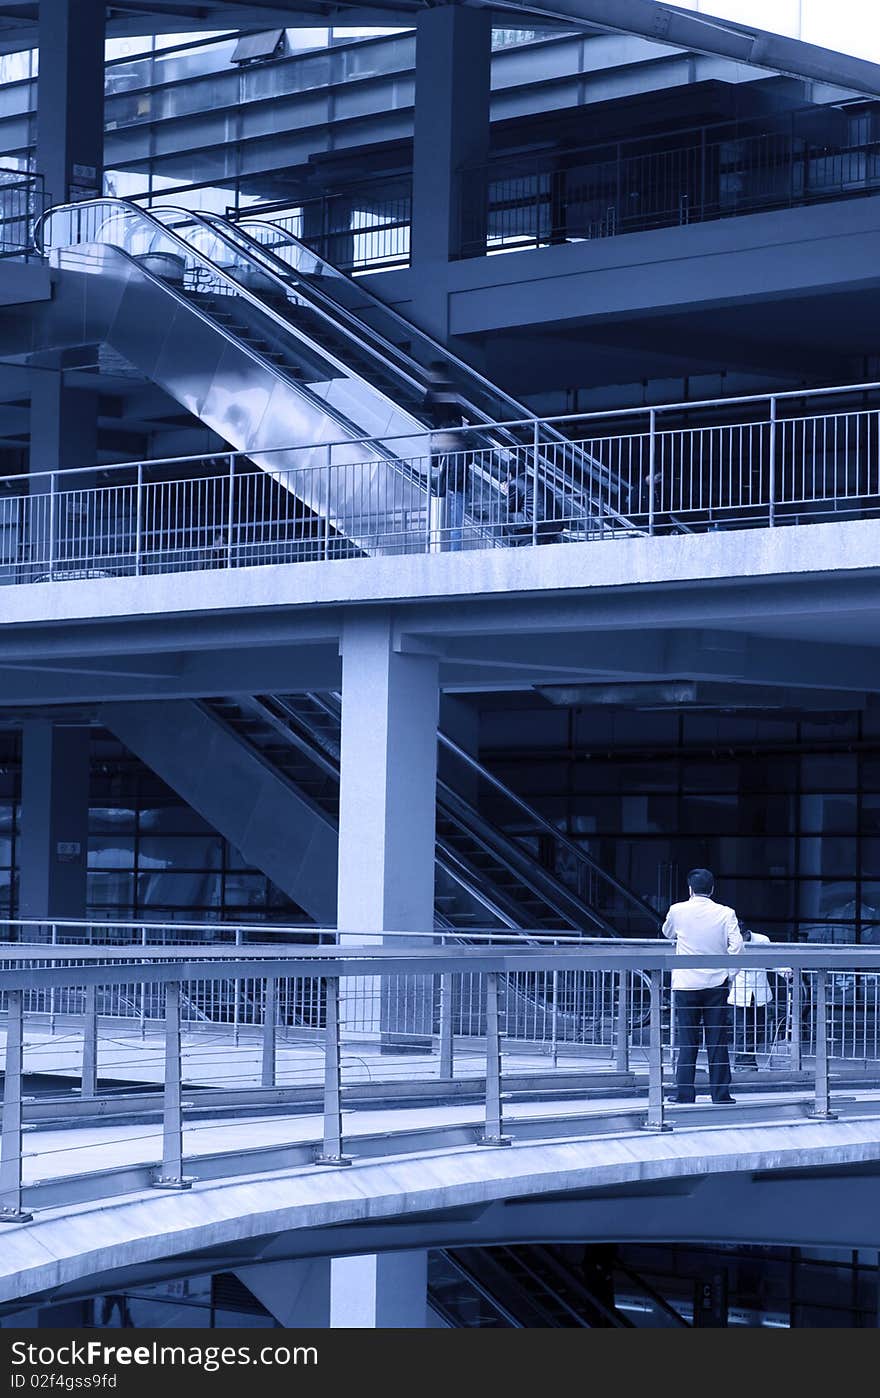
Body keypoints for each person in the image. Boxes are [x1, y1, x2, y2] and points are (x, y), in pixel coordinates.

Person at [662, 867, 743, 1104]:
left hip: (686, 984)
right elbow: (737, 946)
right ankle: (721, 1094)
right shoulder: (726, 913)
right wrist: (729, 974)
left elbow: (667, 933)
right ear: (712, 889)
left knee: (688, 1040)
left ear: (690, 889)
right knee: (717, 1040)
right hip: (716, 984)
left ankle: (685, 1093)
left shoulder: (677, 910)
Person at [727, 923, 792, 1070]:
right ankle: (745, 1064)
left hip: (760, 992)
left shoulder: (762, 940)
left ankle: (744, 1062)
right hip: (739, 992)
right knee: (742, 1030)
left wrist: (785, 971)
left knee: (758, 1030)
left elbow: (772, 959)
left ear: (747, 933)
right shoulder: (729, 941)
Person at [423, 362, 470, 549]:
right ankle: (450, 547)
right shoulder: (448, 392)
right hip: (455, 482)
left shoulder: (435, 392)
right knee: (453, 517)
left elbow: (426, 410)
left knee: (450, 516)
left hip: (452, 482)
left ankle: (447, 547)